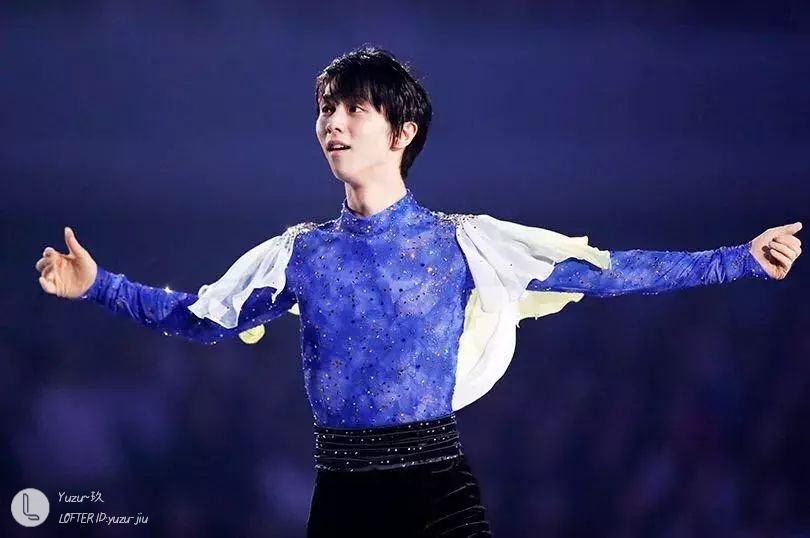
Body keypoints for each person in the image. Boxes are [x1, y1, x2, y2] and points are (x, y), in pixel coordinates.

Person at [35, 46, 802, 537]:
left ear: (401, 133)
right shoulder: (299, 254)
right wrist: (100, 285)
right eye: (325, 110)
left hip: (437, 494)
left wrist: (738, 259)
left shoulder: (463, 244)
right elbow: (202, 318)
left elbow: (607, 272)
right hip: (340, 497)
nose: (332, 123)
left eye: (353, 109)